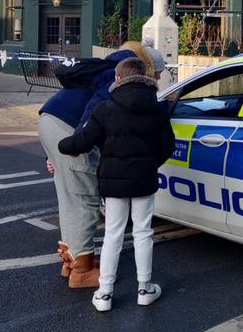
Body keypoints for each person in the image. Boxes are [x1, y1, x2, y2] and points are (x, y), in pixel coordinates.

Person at [58, 57, 175, 311]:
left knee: (113, 234)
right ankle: (145, 289)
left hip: (112, 181)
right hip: (144, 179)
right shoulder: (158, 109)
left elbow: (82, 141)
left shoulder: (105, 108)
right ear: (145, 77)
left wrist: (62, 147)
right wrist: (148, 165)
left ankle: (104, 294)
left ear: (118, 79)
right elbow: (168, 146)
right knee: (143, 232)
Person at [38, 40, 155, 288]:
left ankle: (72, 260)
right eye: (158, 73)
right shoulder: (117, 78)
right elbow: (95, 108)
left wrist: (53, 154)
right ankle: (81, 271)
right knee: (84, 197)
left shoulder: (107, 66)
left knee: (69, 196)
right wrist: (77, 142)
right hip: (71, 129)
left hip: (51, 121)